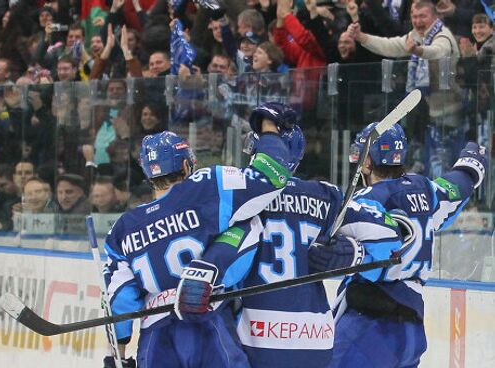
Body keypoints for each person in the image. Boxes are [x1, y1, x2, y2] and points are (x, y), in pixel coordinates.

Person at [175, 125, 406, 368]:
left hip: (260, 338)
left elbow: (231, 256)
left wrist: (204, 279)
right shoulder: (324, 195)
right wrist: (353, 254)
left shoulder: (245, 201)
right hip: (317, 339)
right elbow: (389, 236)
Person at [102, 102, 297, 368]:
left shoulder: (123, 228)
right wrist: (269, 129)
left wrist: (118, 356)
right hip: (209, 321)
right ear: (186, 165)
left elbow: (120, 298)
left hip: (156, 334)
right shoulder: (207, 185)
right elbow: (272, 175)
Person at [328, 123, 487, 367]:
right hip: (412, 331)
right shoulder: (425, 190)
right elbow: (458, 185)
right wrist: (472, 163)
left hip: (369, 326)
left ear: (367, 162)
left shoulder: (366, 200)